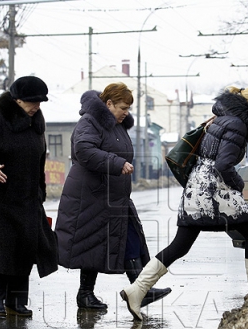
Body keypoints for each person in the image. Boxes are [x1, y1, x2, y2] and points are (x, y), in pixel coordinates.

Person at [120, 86, 248, 320]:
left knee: (181, 245)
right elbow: (223, 164)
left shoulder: (220, 119)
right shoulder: (237, 124)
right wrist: (238, 184)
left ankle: (136, 290)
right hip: (215, 189)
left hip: (197, 186)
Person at [55, 82, 170, 310]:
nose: (126, 113)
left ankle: (138, 290)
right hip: (92, 195)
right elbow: (84, 151)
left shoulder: (116, 125)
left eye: (128, 109)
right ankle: (87, 294)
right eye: (122, 108)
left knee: (130, 240)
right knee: (93, 245)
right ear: (108, 104)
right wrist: (117, 164)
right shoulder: (90, 122)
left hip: (113, 196)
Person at [0, 76, 58, 318]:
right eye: (33, 101)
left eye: (40, 102)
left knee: (24, 249)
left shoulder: (36, 121)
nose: (37, 106)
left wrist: (40, 192)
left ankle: (16, 301)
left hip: (28, 197)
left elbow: (40, 161)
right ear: (18, 100)